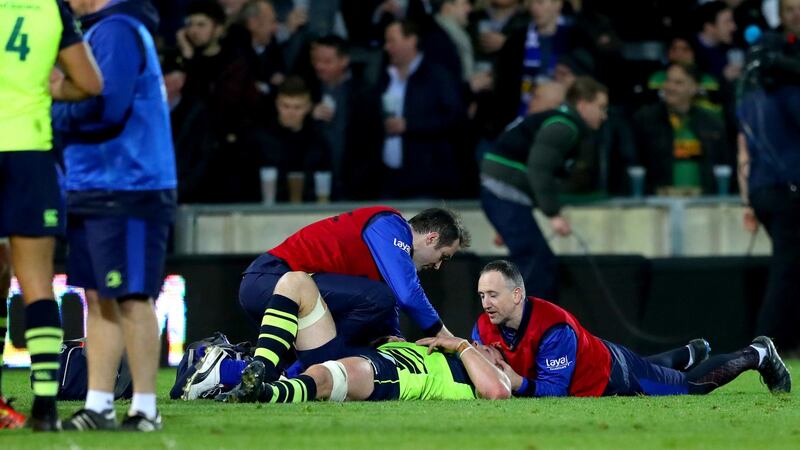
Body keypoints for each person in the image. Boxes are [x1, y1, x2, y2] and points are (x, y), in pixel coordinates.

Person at [52, 0, 177, 432]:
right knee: (98, 297)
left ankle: (145, 406)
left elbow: (108, 106)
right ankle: (100, 403)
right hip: (96, 185)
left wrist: (51, 108)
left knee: (132, 296)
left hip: (130, 186)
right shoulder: (100, 32)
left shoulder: (116, 31)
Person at [0, 0, 103, 431]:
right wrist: (55, 90)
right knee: (37, 283)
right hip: (29, 155)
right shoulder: (51, 10)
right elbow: (90, 83)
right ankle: (45, 407)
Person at [473, 260, 792, 397]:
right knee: (650, 368)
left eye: (493, 295)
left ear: (517, 295)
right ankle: (690, 352)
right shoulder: (483, 326)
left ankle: (757, 353)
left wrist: (515, 382)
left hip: (612, 375)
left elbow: (556, 391)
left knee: (688, 387)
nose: (486, 303)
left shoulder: (553, 328)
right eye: (482, 295)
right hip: (599, 355)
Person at [190, 269, 510, 403]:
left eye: (494, 354)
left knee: (330, 375)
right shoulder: (448, 355)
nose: (486, 347)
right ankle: (255, 370)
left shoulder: (471, 380)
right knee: (294, 281)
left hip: (388, 376)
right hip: (371, 355)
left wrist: (463, 345)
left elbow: (498, 390)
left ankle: (262, 393)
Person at [234, 207, 469, 382]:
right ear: (432, 238)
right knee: (377, 303)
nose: (438, 266)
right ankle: (309, 370)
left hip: (273, 285)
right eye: (443, 257)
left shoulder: (386, 259)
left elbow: (391, 309)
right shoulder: (390, 224)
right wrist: (449, 338)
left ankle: (225, 372)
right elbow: (406, 295)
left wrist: (390, 337)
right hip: (269, 280)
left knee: (369, 346)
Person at [479, 76, 608, 300]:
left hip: (504, 195)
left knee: (536, 262)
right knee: (536, 263)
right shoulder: (564, 126)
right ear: (583, 105)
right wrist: (553, 214)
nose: (604, 115)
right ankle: (523, 329)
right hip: (504, 192)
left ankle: (527, 327)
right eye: (601, 107)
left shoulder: (560, 122)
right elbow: (539, 169)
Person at [737, 0, 800, 355]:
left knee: (790, 266)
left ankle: (780, 343)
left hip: (766, 186)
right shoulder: (786, 95)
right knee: (787, 270)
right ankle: (766, 345)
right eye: (790, 8)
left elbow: (744, 144)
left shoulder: (753, 94)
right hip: (785, 186)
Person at [632, 63, 730, 196]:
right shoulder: (644, 120)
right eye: (668, 80)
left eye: (678, 83)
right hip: (659, 205)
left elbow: (724, 167)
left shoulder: (712, 124)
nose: (670, 87)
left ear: (694, 88)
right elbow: (635, 166)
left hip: (703, 204)